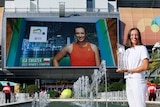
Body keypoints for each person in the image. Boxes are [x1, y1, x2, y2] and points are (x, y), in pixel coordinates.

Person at [116, 27, 149, 107]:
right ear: (129, 37)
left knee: (139, 105)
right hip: (128, 80)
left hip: (137, 80)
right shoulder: (127, 51)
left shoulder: (142, 48)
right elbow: (123, 65)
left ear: (139, 37)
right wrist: (119, 56)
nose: (134, 37)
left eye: (136, 35)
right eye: (132, 35)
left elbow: (145, 66)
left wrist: (129, 70)